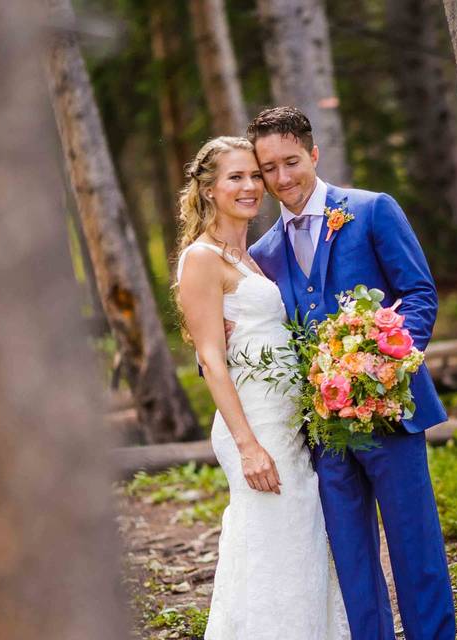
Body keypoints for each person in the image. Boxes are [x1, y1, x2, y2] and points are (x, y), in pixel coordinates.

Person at [246, 106, 456, 640]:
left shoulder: (371, 210)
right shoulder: (262, 254)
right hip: (323, 432)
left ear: (313, 155)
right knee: (352, 564)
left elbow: (419, 294)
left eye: (291, 162)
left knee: (416, 550)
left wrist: (382, 365)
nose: (283, 178)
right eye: (269, 168)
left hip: (390, 412)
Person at [174, 136, 350, 640]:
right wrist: (249, 446)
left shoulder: (250, 256)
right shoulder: (202, 258)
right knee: (275, 543)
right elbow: (210, 357)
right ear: (208, 189)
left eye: (255, 175)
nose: (251, 186)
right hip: (255, 429)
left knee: (297, 544)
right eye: (236, 177)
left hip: (287, 424)